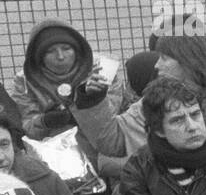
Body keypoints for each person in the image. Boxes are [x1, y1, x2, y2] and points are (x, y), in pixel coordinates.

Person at [73, 32, 206, 180]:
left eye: (165, 58)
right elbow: (111, 143)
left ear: (189, 63)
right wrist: (93, 99)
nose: (157, 65)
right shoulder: (151, 103)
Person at [9, 19, 125, 153]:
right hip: (54, 149)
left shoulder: (103, 69)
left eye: (66, 48)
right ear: (39, 56)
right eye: (50, 51)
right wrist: (45, 121)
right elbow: (27, 129)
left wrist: (91, 102)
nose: (60, 56)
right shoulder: (24, 81)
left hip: (101, 145)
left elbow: (113, 119)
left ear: (76, 49)